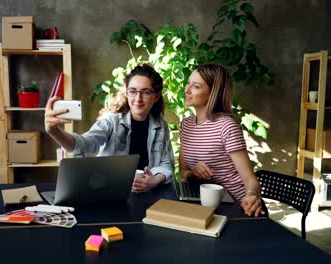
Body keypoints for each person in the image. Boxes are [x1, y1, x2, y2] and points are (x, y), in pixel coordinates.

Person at [45, 64, 174, 192]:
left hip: (147, 194)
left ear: (156, 96)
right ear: (127, 93)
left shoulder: (161, 127)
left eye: (145, 92)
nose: (138, 99)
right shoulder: (110, 122)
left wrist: (154, 181)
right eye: (133, 91)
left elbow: (166, 164)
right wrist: (54, 131)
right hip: (110, 191)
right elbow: (83, 145)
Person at [179, 63, 265, 217]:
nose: (187, 90)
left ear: (214, 93)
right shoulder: (186, 125)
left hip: (237, 207)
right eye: (188, 83)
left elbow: (250, 180)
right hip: (207, 206)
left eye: (196, 86)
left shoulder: (226, 126)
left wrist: (252, 195)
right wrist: (193, 173)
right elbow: (183, 172)